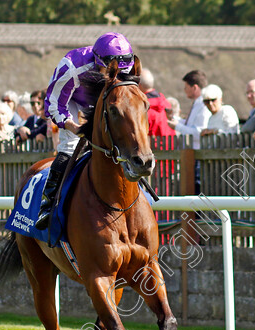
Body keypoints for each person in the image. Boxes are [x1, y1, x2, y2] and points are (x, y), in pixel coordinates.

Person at [36, 31, 136, 230]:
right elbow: (53, 104)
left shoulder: (128, 64)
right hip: (71, 102)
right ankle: (47, 204)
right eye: (109, 70)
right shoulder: (72, 67)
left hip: (103, 99)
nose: (116, 75)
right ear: (97, 61)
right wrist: (75, 127)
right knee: (70, 145)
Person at [167, 70, 208, 149]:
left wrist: (177, 127)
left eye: (186, 87)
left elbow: (199, 133)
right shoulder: (197, 104)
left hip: (198, 155)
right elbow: (189, 125)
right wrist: (173, 118)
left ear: (195, 87)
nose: (184, 90)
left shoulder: (204, 106)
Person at [139, 68, 175, 137]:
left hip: (151, 147)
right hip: (172, 146)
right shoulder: (167, 104)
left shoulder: (142, 109)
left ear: (139, 85)